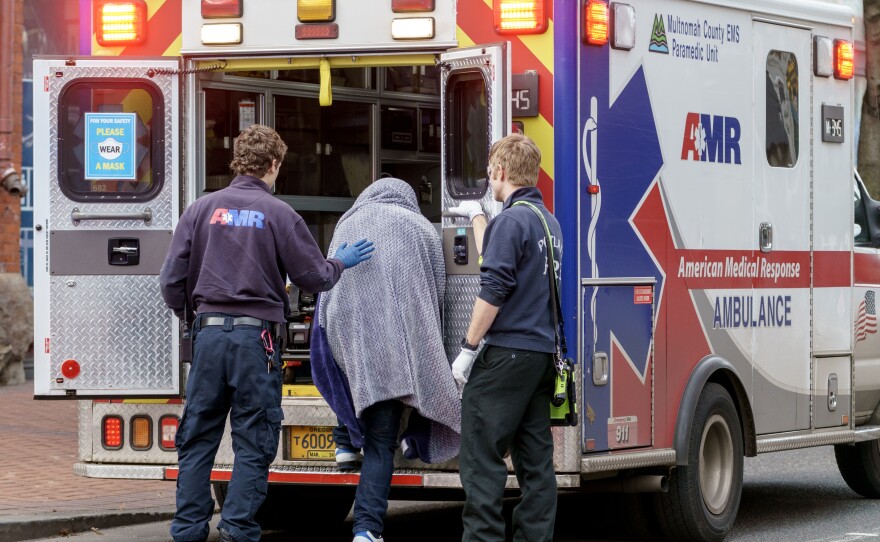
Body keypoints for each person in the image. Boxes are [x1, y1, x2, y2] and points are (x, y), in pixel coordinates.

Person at [159, 124, 374, 542]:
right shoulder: (279, 214)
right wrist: (341, 262)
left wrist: (193, 319)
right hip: (255, 343)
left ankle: (187, 531)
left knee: (198, 438)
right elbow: (313, 277)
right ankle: (238, 532)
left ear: (237, 161)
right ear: (273, 165)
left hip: (207, 337)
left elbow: (171, 280)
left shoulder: (200, 209)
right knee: (253, 442)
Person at [310, 177, 462, 542]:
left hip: (344, 332)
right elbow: (434, 294)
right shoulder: (420, 228)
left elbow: (329, 287)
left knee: (349, 375)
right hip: (392, 344)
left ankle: (346, 442)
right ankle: (366, 528)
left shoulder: (348, 220)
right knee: (382, 441)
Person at [448, 133, 563, 542]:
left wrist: (467, 350)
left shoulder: (512, 222)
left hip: (505, 358)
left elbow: (493, 288)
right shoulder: (545, 222)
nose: (488, 179)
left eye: (489, 173)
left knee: (481, 459)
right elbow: (497, 256)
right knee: (536, 464)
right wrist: (479, 218)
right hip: (539, 359)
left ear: (500, 171)